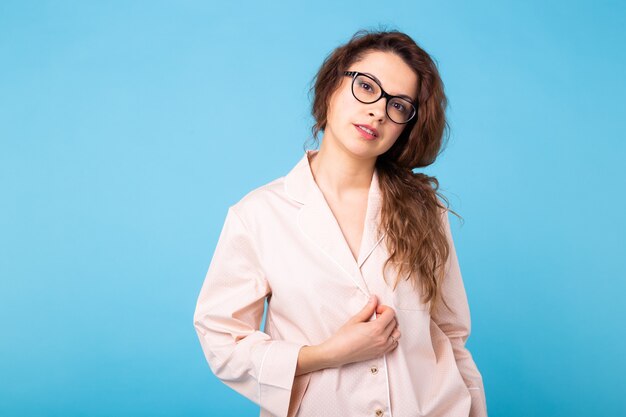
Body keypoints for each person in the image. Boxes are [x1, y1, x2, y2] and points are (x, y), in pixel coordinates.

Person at [193, 28, 488, 417]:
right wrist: (326, 354)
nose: (378, 110)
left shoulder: (425, 210)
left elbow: (450, 336)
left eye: (399, 105)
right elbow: (221, 340)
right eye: (367, 87)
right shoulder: (259, 215)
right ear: (332, 85)